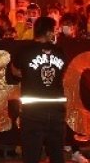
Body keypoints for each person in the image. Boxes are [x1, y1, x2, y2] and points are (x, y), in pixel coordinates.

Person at [10, 16, 69, 163]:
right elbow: (62, 72)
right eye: (54, 30)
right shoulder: (60, 52)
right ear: (49, 33)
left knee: (31, 156)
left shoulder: (24, 51)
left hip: (33, 112)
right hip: (56, 111)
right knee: (57, 156)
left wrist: (28, 73)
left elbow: (15, 72)